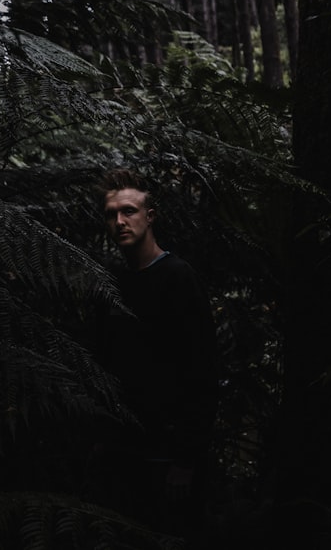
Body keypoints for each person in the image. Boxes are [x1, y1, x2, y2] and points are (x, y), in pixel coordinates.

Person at [88, 168, 219, 543]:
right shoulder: (110, 283)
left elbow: (203, 370)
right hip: (120, 451)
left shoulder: (178, 278)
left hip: (168, 454)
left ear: (150, 215)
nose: (119, 221)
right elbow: (102, 365)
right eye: (111, 213)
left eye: (129, 210)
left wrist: (186, 458)